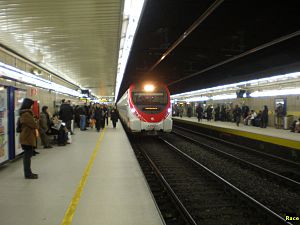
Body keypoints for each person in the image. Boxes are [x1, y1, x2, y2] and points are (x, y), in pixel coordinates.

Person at [19, 98, 39, 179]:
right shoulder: (26, 114)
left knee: (28, 155)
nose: (32, 107)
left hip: (27, 137)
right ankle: (28, 174)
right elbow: (34, 125)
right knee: (27, 156)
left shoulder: (26, 113)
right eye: (31, 105)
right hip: (27, 138)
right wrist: (35, 120)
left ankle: (29, 172)